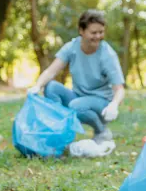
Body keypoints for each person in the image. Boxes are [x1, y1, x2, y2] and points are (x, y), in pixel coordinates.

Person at [28, 10, 125, 144]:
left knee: (75, 106)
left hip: (101, 103)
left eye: (101, 32)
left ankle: (101, 131)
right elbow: (51, 71)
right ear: (81, 31)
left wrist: (113, 105)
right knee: (50, 87)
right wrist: (37, 86)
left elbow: (119, 88)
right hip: (78, 97)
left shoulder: (107, 54)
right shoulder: (71, 47)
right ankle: (59, 131)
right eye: (93, 32)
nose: (98, 36)